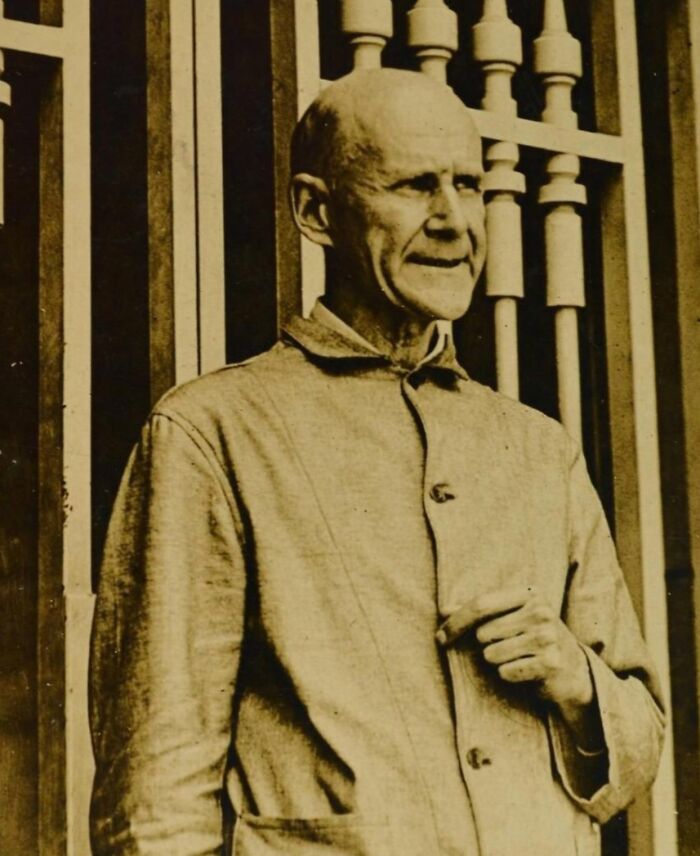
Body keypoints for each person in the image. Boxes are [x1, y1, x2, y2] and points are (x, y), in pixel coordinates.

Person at [89, 69, 664, 856]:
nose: (455, 222)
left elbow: (639, 741)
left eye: (469, 184)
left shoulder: (539, 449)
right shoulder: (211, 433)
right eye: (414, 186)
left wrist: (574, 676)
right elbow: (155, 793)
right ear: (317, 211)